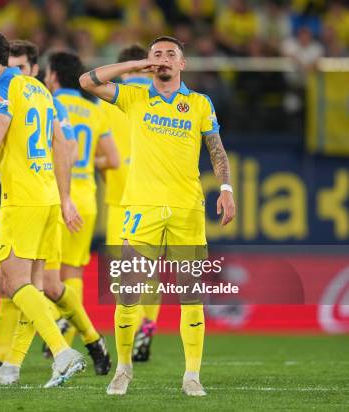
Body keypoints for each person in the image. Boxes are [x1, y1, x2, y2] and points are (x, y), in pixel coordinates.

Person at [80, 36, 236, 396]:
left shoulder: (199, 103)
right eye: (156, 55)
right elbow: (87, 81)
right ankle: (123, 370)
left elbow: (217, 151)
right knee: (128, 292)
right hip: (141, 207)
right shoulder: (133, 96)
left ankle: (192, 375)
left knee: (191, 294)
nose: (163, 59)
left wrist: (226, 190)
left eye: (170, 54)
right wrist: (133, 68)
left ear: (182, 64)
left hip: (186, 207)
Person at [0, 40, 111, 382]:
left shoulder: (3, 86)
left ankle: (63, 351)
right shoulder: (39, 90)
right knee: (36, 286)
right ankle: (11, 365)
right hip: (48, 196)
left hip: (22, 199)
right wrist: (65, 196)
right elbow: (63, 145)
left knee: (14, 282)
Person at [41, 50, 118, 356]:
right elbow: (111, 159)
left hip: (58, 193)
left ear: (54, 75)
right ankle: (71, 335)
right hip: (86, 197)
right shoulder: (95, 109)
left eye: (47, 73)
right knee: (73, 271)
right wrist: (87, 161)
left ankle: (56, 327)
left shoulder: (49, 104)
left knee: (45, 271)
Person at [98, 44, 159, 363]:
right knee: (147, 272)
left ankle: (131, 333)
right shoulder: (158, 97)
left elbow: (96, 152)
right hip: (152, 197)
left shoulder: (110, 98)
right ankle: (147, 326)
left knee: (124, 275)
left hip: (119, 199)